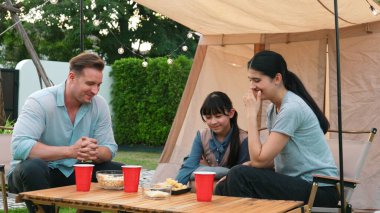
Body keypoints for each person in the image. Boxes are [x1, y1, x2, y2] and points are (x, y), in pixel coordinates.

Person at [215, 50, 339, 207]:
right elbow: (270, 159)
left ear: (277, 78)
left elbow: (260, 160)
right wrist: (246, 166)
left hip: (320, 191)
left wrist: (251, 116)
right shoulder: (273, 109)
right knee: (223, 185)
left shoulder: (292, 108)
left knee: (240, 175)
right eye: (250, 80)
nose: (252, 87)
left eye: (257, 80)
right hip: (297, 184)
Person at [7, 52, 123, 213]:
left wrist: (93, 151)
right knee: (32, 167)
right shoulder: (40, 101)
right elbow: (19, 146)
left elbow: (109, 148)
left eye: (99, 85)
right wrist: (70, 151)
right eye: (90, 84)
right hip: (38, 174)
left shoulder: (99, 105)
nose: (95, 90)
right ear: (71, 77)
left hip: (77, 172)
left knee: (122, 172)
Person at [176, 91, 250, 185]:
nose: (213, 122)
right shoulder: (202, 135)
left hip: (232, 186)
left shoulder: (243, 139)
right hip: (209, 184)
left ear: (231, 113)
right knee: (194, 182)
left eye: (218, 116)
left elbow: (240, 174)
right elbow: (189, 167)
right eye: (208, 117)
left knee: (196, 184)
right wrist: (175, 187)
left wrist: (206, 168)